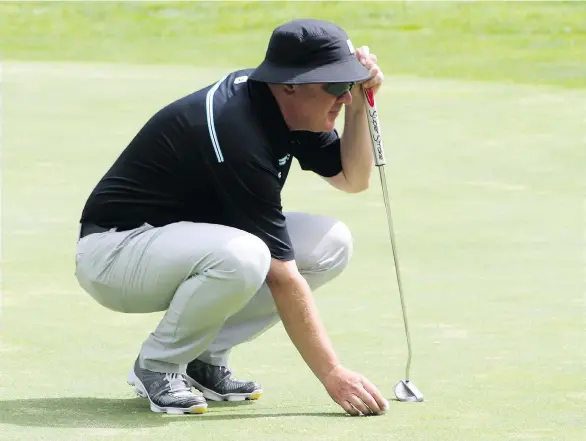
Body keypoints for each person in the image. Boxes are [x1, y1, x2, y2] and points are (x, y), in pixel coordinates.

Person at [74, 18, 389, 417]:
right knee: (247, 256)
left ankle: (204, 359)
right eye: (336, 86)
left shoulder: (288, 107)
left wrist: (359, 105)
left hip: (183, 245)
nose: (342, 96)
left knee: (331, 242)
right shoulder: (235, 126)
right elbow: (281, 274)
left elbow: (352, 178)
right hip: (116, 253)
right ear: (290, 83)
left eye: (349, 84)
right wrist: (332, 372)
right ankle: (157, 366)